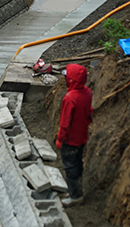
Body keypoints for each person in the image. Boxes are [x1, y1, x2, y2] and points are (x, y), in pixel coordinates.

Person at [55, 64, 93, 208]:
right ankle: (76, 190)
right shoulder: (87, 92)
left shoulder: (70, 98)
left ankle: (75, 196)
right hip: (82, 137)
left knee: (70, 167)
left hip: (71, 140)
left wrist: (60, 139)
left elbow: (65, 123)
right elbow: (89, 113)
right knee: (78, 163)